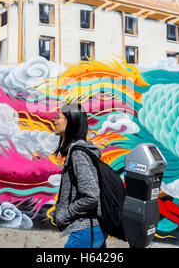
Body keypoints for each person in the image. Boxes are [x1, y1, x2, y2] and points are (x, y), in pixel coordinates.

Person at [53, 102, 107, 248]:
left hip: (85, 230)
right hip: (95, 228)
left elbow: (92, 196)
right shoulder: (81, 151)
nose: (55, 121)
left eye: (58, 117)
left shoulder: (78, 154)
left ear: (70, 122)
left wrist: (66, 213)